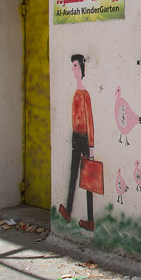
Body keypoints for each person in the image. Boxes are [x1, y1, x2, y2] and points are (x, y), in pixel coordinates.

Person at [59, 54, 95, 231]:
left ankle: (90, 219)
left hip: (84, 138)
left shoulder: (85, 94)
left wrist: (91, 145)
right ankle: (69, 210)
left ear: (81, 68)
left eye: (75, 66)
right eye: (72, 66)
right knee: (74, 173)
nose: (73, 70)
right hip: (76, 137)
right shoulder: (76, 92)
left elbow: (89, 119)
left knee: (88, 179)